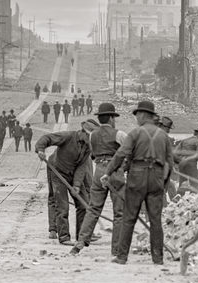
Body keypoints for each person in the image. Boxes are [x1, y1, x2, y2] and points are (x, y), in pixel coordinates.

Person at [105, 100, 172, 265]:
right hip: (156, 178)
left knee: (129, 217)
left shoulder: (135, 133)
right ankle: (158, 258)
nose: (136, 118)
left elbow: (121, 154)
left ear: (142, 115)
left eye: (137, 115)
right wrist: (164, 185)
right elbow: (170, 163)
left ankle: (122, 256)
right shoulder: (163, 136)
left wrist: (108, 172)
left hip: (137, 177)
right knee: (155, 220)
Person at [72, 104, 125, 255]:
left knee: (93, 209)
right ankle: (116, 249)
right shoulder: (119, 134)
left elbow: (93, 155)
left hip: (98, 171)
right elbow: (129, 151)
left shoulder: (92, 135)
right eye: (114, 117)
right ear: (111, 118)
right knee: (119, 213)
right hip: (115, 172)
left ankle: (81, 242)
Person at [36, 122, 92, 244]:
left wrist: (76, 185)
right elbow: (46, 138)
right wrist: (40, 150)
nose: (90, 139)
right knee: (62, 206)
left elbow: (82, 166)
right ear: (82, 132)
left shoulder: (88, 146)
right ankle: (64, 237)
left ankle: (81, 237)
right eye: (89, 136)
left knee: (83, 204)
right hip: (58, 173)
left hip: (73, 174)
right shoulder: (67, 136)